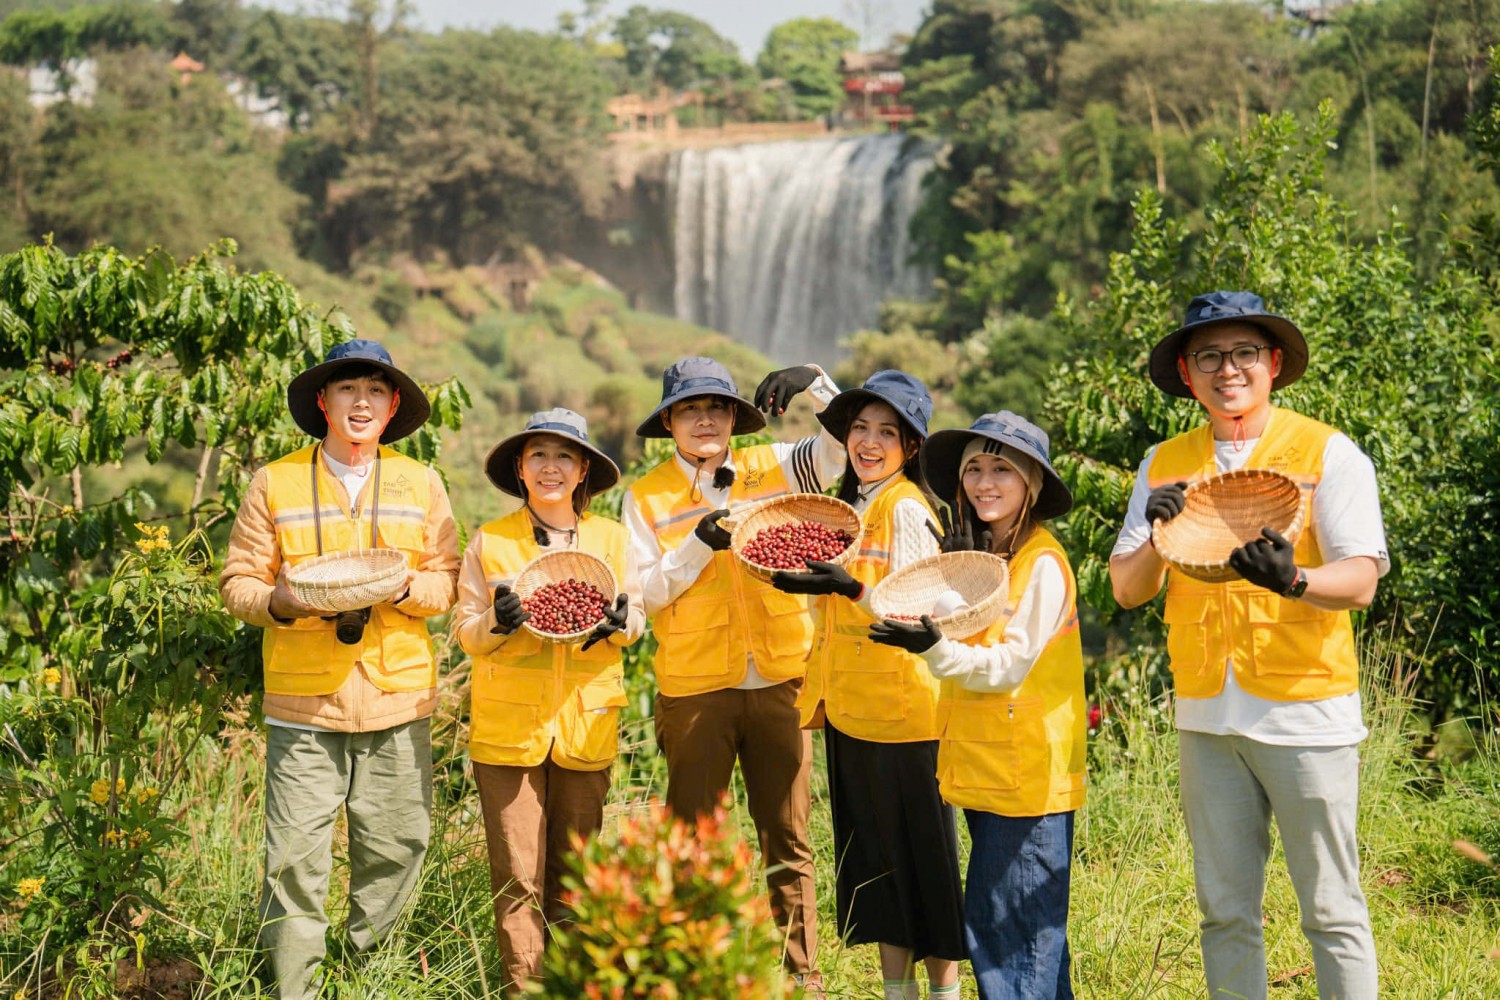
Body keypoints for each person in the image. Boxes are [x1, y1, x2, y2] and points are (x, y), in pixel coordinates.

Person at [1109, 291, 1388, 999]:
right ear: (1187, 370)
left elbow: (1360, 582)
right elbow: (1126, 588)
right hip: (1208, 714)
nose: (1226, 368)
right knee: (1224, 911)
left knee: (1331, 909)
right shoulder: (1163, 462)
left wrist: (1294, 579)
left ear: (1270, 364)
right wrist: (1158, 538)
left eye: (1241, 354)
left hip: (1305, 713)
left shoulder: (1329, 452)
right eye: (1208, 355)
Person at [219, 339, 460, 1000]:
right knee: (294, 860)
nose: (361, 402)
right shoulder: (277, 480)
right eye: (348, 389)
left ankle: (367, 983)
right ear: (322, 402)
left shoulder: (422, 483)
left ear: (392, 408)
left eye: (375, 392)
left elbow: (446, 584)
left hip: (397, 696)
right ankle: (297, 990)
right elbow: (239, 582)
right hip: (305, 702)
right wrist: (281, 602)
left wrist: (406, 589)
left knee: (395, 849)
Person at [621, 357, 845, 993]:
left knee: (789, 835)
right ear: (669, 421)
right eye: (691, 410)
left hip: (780, 676)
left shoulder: (774, 464)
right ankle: (692, 972)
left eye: (716, 409)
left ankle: (801, 976)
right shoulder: (645, 496)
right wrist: (699, 543)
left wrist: (815, 382)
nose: (705, 421)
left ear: (734, 419)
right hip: (695, 688)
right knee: (691, 838)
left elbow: (841, 452)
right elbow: (648, 592)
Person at [871, 411, 1085, 1000]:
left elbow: (1007, 667)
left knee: (1007, 939)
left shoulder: (1039, 563)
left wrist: (935, 647)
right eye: (974, 469)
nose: (984, 483)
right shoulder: (989, 559)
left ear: (1031, 485)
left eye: (1002, 470)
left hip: (1028, 781)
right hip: (990, 771)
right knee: (1028, 938)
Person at [769, 371, 964, 1000]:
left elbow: (919, 607)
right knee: (878, 863)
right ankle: (896, 991)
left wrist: (848, 589)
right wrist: (815, 382)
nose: (869, 442)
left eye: (888, 431)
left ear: (911, 445)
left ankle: (943, 993)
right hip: (856, 710)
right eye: (860, 428)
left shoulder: (903, 506)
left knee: (923, 861)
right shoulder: (854, 504)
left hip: (905, 715)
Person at [452, 408, 645, 994]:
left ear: (584, 468)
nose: (551, 467)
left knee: (576, 875)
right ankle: (524, 988)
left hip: (585, 728)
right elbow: (465, 631)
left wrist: (620, 621)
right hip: (508, 735)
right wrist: (498, 620)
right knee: (517, 877)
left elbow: (637, 615)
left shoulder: (612, 539)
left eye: (564, 456)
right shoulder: (492, 540)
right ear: (520, 467)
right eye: (538, 455)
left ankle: (572, 984)